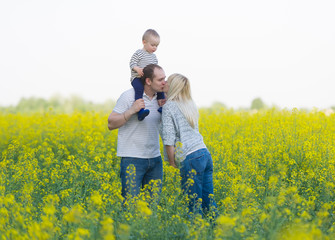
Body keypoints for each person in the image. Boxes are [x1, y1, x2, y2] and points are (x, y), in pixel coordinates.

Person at [161, 73, 218, 217]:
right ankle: (218, 232)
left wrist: (172, 163)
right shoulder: (190, 104)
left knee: (193, 205)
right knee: (208, 202)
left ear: (172, 86)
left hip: (191, 158)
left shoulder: (169, 107)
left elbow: (168, 139)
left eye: (167, 81)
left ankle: (196, 233)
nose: (164, 83)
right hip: (204, 154)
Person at [108, 64, 166, 200]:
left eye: (165, 78)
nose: (164, 82)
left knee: (152, 207)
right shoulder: (129, 96)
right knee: (130, 205)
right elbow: (111, 123)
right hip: (132, 158)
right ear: (148, 81)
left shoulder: (162, 100)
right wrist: (131, 111)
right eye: (160, 79)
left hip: (155, 159)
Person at [129, 29, 165, 121]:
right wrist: (137, 69)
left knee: (160, 88)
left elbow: (155, 68)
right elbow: (132, 63)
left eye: (156, 46)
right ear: (144, 42)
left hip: (148, 79)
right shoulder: (139, 53)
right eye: (152, 45)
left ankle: (162, 106)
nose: (155, 48)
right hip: (137, 78)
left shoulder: (154, 57)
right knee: (139, 89)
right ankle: (140, 111)